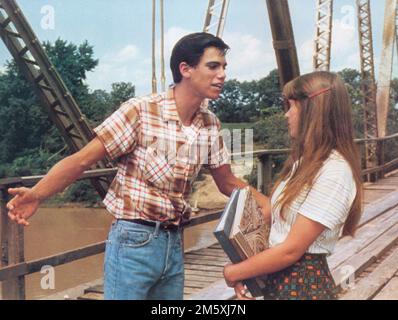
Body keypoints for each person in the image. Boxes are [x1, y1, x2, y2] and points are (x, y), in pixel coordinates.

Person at [6, 32, 268, 300]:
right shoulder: (141, 111)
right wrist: (37, 193)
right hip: (134, 241)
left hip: (174, 243)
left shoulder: (210, 124)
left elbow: (226, 182)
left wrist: (270, 205)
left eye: (224, 67)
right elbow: (82, 160)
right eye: (213, 66)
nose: (222, 74)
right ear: (185, 69)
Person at [223, 71, 363, 300]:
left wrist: (233, 272)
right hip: (281, 280)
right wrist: (251, 275)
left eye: (291, 106)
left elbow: (291, 250)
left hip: (302, 286)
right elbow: (279, 226)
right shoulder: (305, 164)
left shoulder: (335, 170)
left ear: (312, 109)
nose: (286, 115)